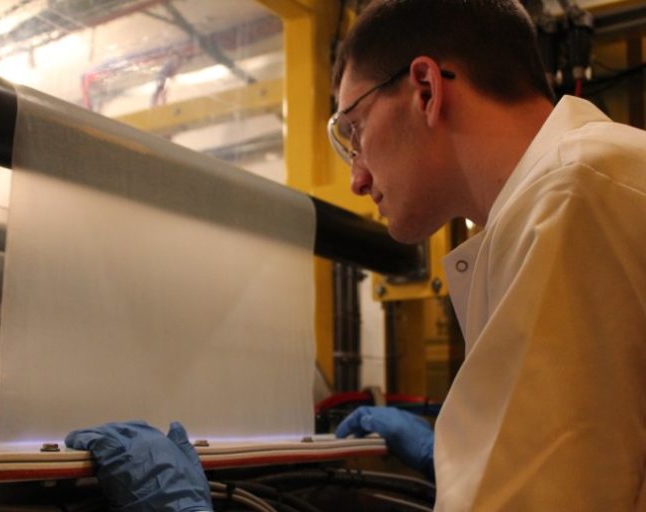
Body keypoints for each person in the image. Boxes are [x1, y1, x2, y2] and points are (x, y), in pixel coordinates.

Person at [67, 0, 646, 510]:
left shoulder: (572, 197)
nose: (358, 180)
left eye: (354, 129)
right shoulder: (582, 184)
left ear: (425, 89)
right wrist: (454, 461)